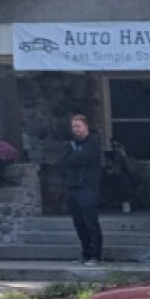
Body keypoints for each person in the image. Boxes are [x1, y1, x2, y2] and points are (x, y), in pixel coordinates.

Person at [62, 114, 103, 266]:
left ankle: (95, 255)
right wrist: (73, 158)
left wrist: (74, 158)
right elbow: (64, 160)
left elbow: (83, 158)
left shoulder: (92, 143)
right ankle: (85, 253)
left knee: (90, 222)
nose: (76, 130)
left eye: (78, 126)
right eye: (74, 127)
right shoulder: (69, 145)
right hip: (72, 187)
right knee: (78, 223)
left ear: (86, 127)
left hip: (88, 188)